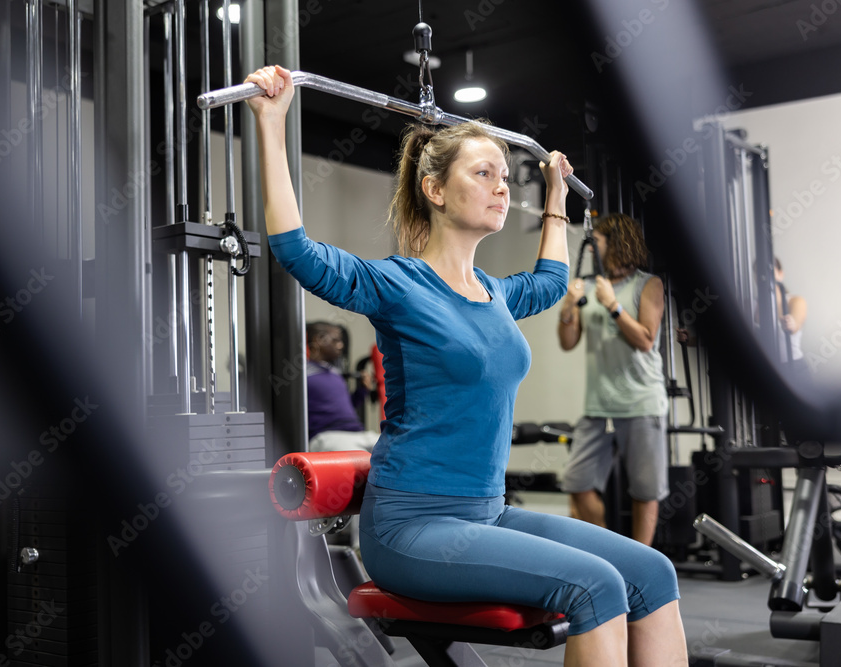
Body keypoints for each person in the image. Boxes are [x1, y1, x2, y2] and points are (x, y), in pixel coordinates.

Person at [245, 65, 687, 666]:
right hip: (411, 529)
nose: (502, 187)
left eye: (506, 176)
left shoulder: (496, 293)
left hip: (488, 513)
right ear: (435, 189)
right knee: (597, 586)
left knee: (653, 573)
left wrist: (555, 195)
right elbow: (296, 250)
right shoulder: (397, 284)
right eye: (484, 174)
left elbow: (552, 281)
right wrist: (272, 123)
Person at [557, 213, 668, 547]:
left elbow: (646, 340)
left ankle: (640, 565)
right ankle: (608, 553)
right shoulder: (589, 286)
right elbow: (567, 342)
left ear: (617, 244)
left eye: (598, 243)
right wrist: (568, 307)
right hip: (599, 406)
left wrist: (614, 306)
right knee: (577, 481)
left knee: (645, 491)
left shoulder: (648, 284)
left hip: (640, 403)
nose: (592, 250)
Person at [305, 321, 380, 452]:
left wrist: (362, 390)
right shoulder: (303, 374)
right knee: (364, 463)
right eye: (335, 340)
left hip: (358, 433)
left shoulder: (334, 373)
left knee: (401, 451)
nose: (341, 345)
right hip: (328, 435)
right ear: (319, 340)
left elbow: (348, 406)